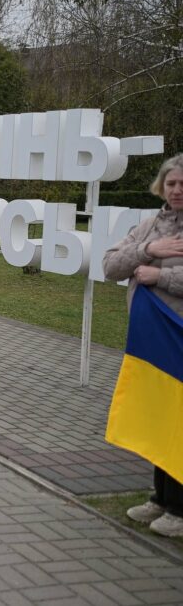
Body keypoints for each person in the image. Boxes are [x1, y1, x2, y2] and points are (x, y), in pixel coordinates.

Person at [103, 154, 183, 538]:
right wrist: (149, 250)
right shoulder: (149, 226)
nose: (177, 190)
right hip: (151, 340)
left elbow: (156, 277)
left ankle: (180, 510)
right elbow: (111, 266)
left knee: (179, 420)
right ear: (161, 187)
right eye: (171, 183)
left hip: (178, 338)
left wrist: (160, 277)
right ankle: (161, 499)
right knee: (158, 417)